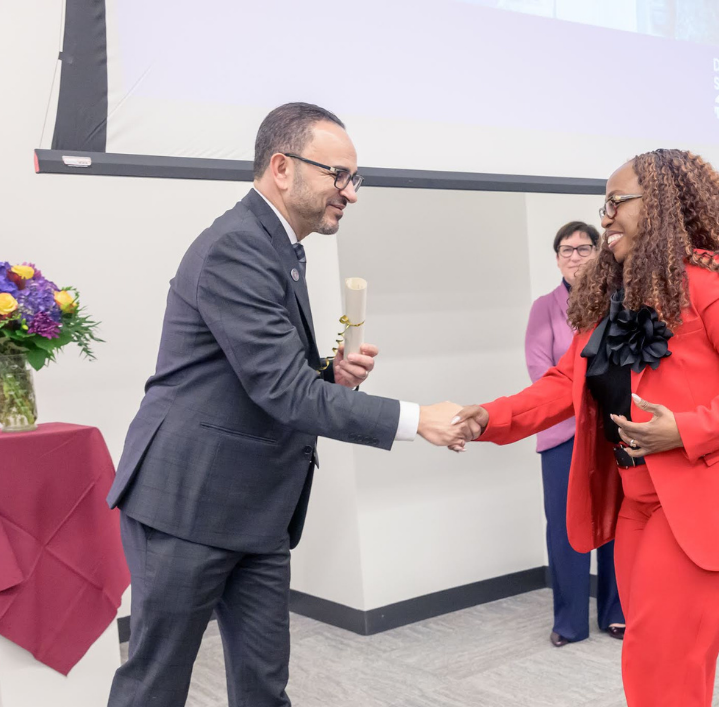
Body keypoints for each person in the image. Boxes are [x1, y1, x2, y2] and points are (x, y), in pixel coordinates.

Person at [105, 103, 465, 707]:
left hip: (258, 511)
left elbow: (260, 372)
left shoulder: (281, 247)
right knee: (155, 685)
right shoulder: (236, 247)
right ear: (281, 167)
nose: (350, 193)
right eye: (339, 175)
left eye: (354, 179)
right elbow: (281, 391)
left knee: (264, 687)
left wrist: (327, 373)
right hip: (187, 503)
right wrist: (415, 419)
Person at [453, 149, 719, 707]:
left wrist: (685, 429)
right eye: (605, 204)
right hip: (639, 503)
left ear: (661, 205)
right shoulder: (610, 299)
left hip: (706, 504)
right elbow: (560, 386)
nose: (606, 216)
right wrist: (490, 417)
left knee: (661, 663)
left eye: (618, 202)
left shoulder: (713, 283)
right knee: (661, 659)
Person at [525, 221, 624, 647]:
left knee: (618, 524)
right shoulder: (544, 307)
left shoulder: (619, 302)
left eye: (583, 249)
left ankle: (617, 613)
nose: (574, 257)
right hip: (562, 435)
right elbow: (539, 371)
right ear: (557, 258)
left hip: (614, 432)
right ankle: (569, 622)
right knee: (566, 530)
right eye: (565, 250)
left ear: (599, 252)